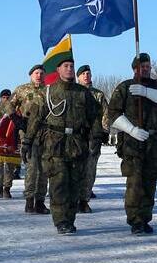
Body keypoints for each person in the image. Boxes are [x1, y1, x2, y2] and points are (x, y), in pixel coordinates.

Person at [23, 57, 104, 234]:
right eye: (66, 66)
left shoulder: (83, 93)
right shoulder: (48, 92)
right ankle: (61, 221)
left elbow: (95, 117)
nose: (69, 69)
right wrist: (27, 141)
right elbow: (35, 119)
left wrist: (97, 138)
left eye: (72, 66)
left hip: (77, 144)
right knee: (58, 184)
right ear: (58, 70)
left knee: (74, 185)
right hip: (54, 145)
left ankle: (70, 218)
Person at [107, 53, 157, 233]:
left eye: (147, 66)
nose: (145, 69)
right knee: (135, 183)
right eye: (141, 66)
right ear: (134, 68)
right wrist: (131, 129)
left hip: (153, 143)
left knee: (150, 183)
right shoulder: (125, 88)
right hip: (132, 143)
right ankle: (135, 220)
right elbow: (112, 114)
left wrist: (147, 92)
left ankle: (145, 218)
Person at [14, 65, 49, 214]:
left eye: (41, 73)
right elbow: (9, 106)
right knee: (32, 167)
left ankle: (40, 201)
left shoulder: (49, 91)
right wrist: (16, 120)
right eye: (36, 73)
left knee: (44, 169)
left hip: (46, 133)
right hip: (28, 132)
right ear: (30, 75)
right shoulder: (22, 90)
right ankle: (29, 200)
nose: (39, 76)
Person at [76, 64, 108, 211]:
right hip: (75, 137)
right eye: (83, 74)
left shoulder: (98, 95)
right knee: (75, 168)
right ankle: (73, 196)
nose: (86, 76)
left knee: (90, 168)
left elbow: (106, 114)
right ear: (78, 77)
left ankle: (84, 199)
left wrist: (104, 132)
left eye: (88, 73)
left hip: (92, 136)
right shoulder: (74, 92)